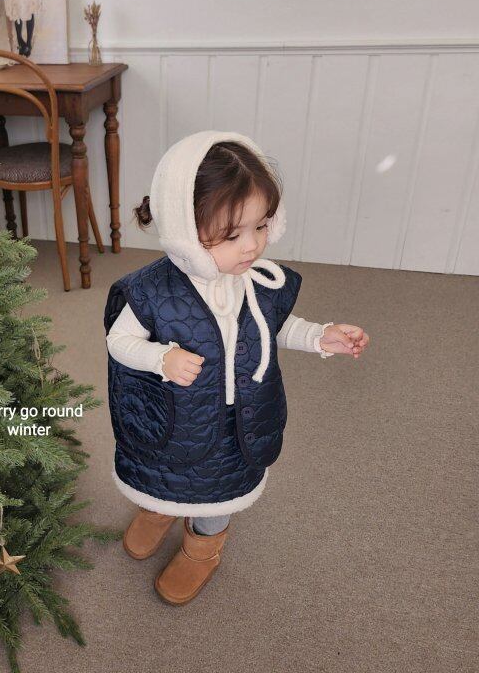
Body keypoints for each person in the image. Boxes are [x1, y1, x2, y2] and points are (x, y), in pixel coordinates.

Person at [103, 130, 370, 606]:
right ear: (185, 229)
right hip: (176, 417)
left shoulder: (258, 282)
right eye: (232, 235)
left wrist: (319, 336)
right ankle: (160, 508)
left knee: (221, 490)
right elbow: (119, 341)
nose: (251, 247)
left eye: (261, 227)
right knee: (163, 473)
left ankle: (203, 547)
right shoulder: (150, 290)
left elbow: (274, 327)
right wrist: (161, 358)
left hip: (240, 419)